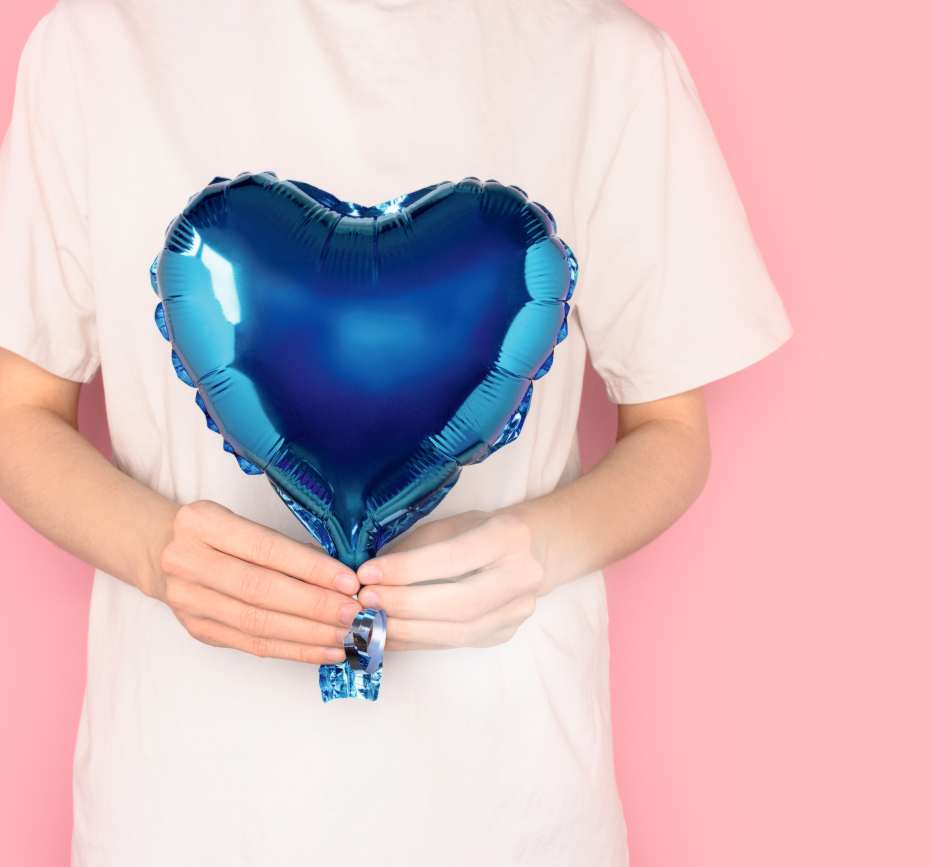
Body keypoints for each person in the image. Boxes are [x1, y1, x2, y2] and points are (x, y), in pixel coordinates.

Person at [0, 0, 791, 864]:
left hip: (512, 809)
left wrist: (542, 546)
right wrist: (156, 551)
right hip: (182, 808)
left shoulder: (605, 59)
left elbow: (671, 428)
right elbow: (18, 409)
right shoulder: (95, 44)